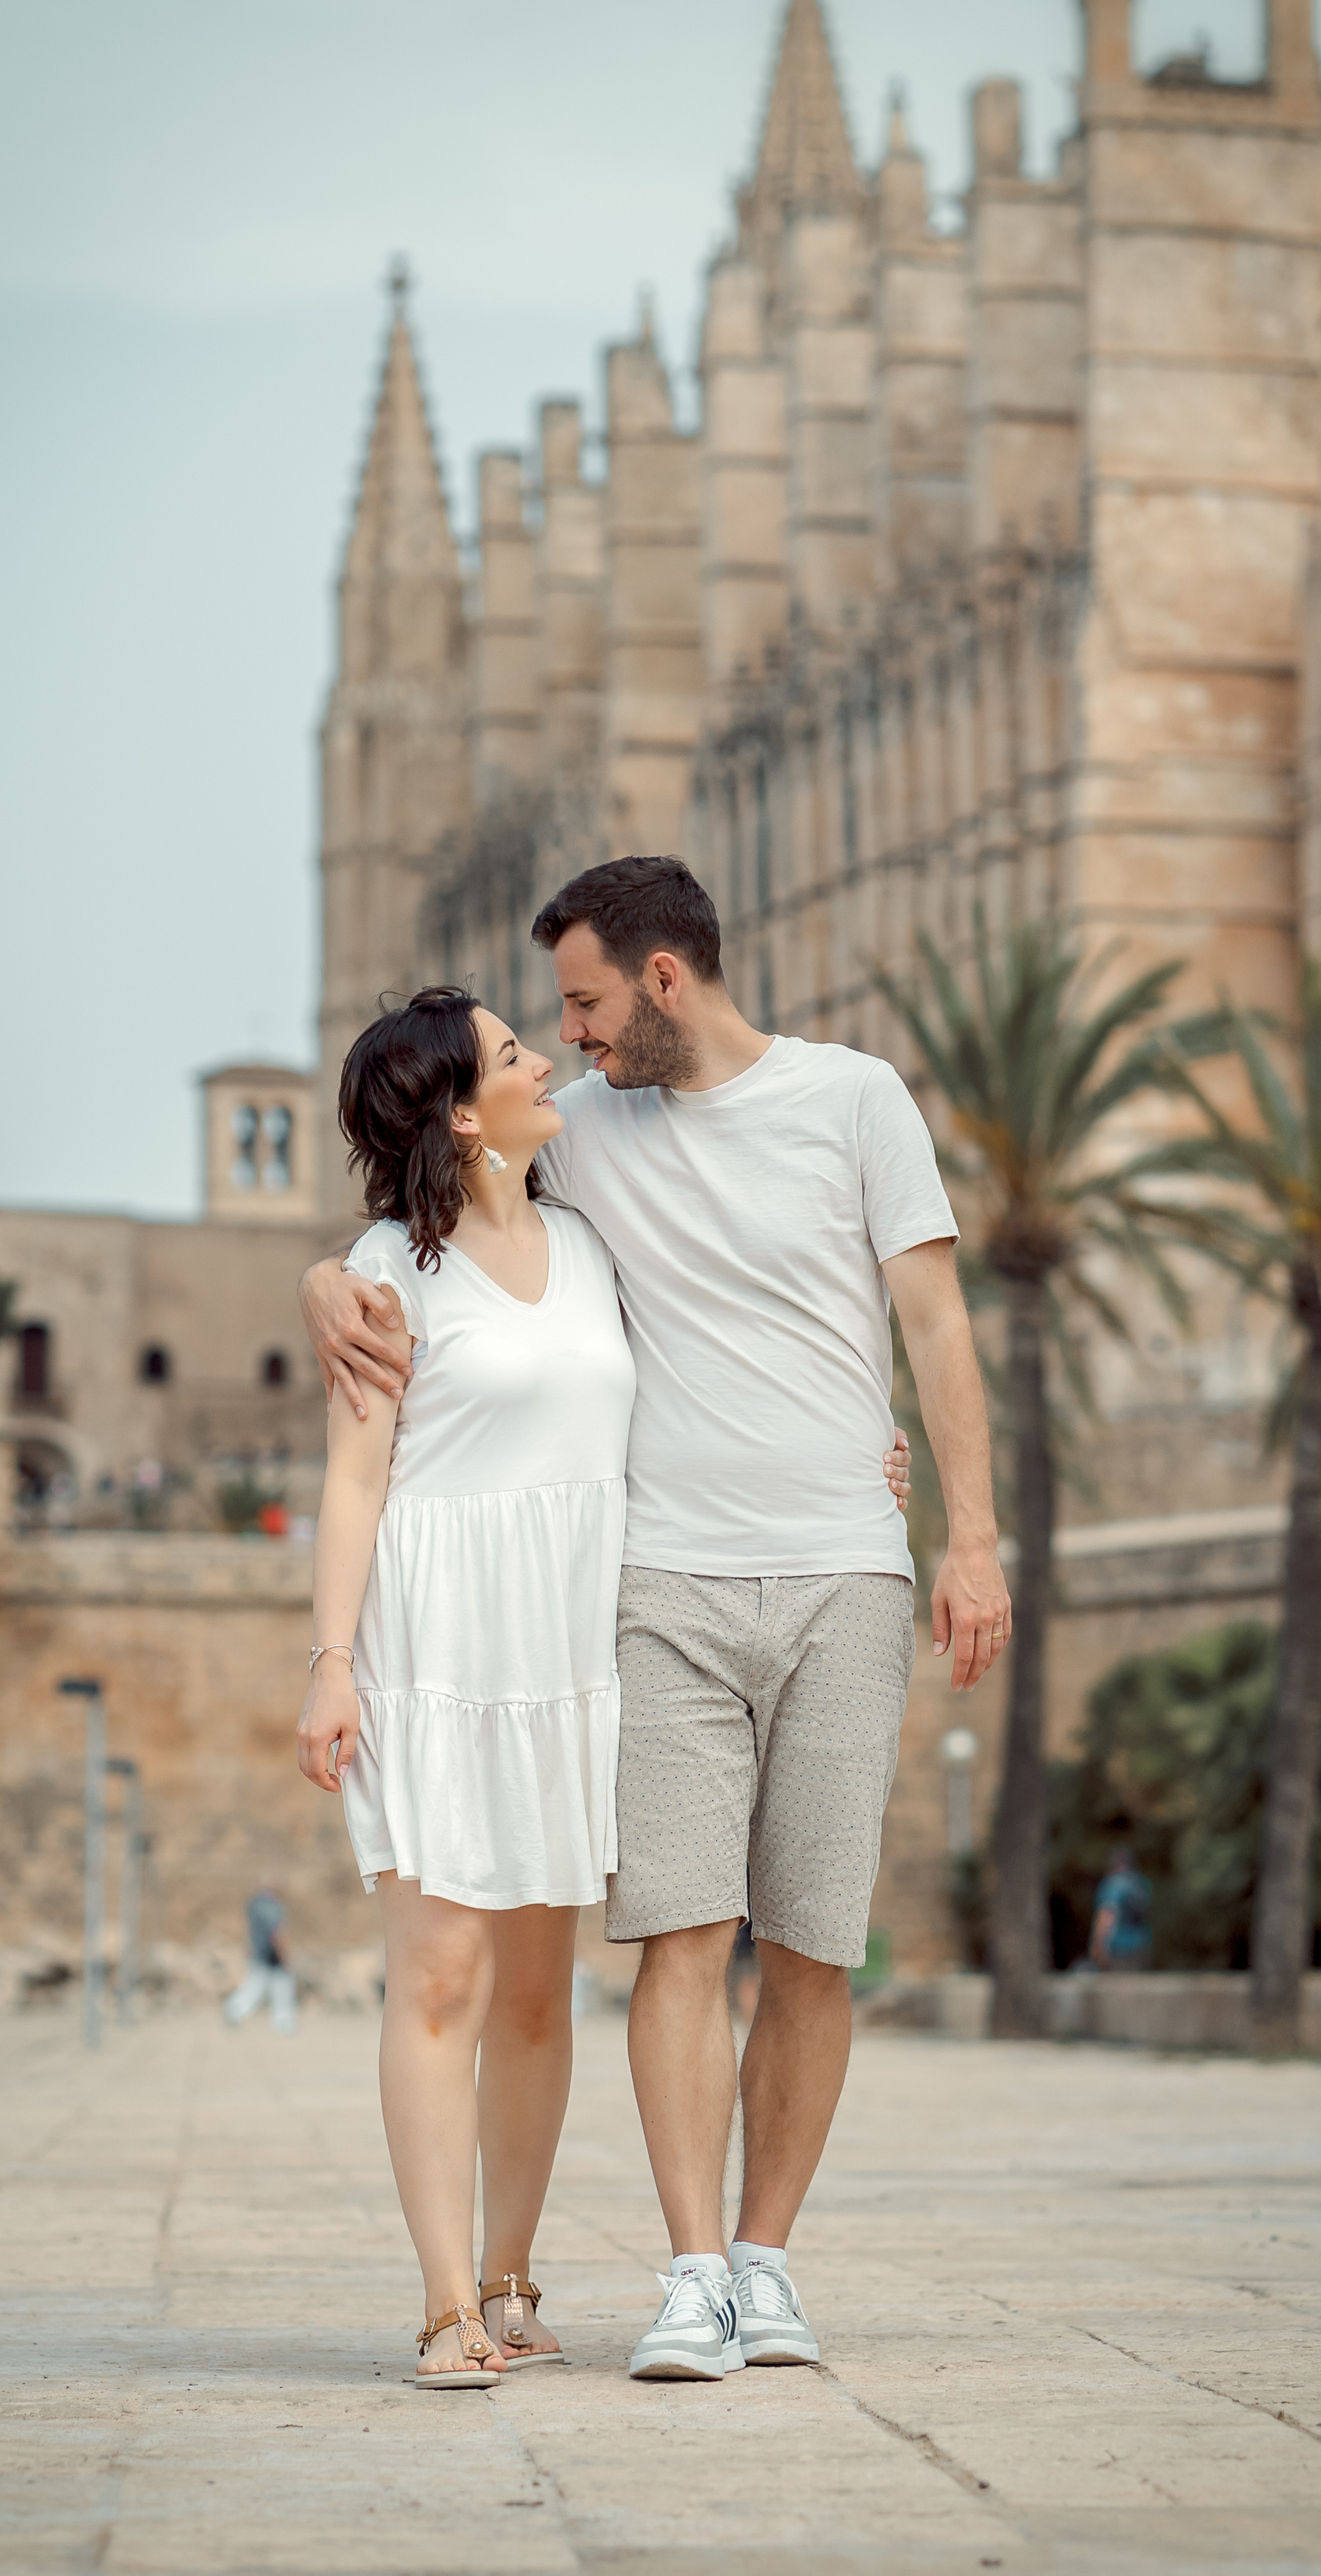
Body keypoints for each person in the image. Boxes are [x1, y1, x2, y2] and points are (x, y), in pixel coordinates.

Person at [301, 855, 1011, 2385]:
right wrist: (322, 1276)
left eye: (581, 1004)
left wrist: (968, 1534)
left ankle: (752, 2267)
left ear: (661, 981)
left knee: (808, 1944)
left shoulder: (845, 1106)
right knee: (670, 1940)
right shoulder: (590, 1140)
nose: (566, 1043)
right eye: (539, 1028)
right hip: (641, 1596)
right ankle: (676, 2278)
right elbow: (419, 1236)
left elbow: (929, 1318)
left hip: (810, 1583)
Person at [295, 987, 633, 2386]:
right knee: (442, 1977)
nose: (542, 1060)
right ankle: (441, 2307)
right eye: (510, 1055)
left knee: (543, 1997)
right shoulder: (385, 1269)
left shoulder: (594, 1243)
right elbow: (356, 1475)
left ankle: (509, 2276)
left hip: (566, 1651)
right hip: (433, 1648)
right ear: (451, 1108)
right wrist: (330, 1665)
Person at [223, 1883, 297, 2034]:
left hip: (259, 1954)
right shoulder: (272, 1907)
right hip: (271, 1957)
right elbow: (276, 1933)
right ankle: (284, 2022)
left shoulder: (254, 1905)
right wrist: (284, 1954)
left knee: (254, 1988)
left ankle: (234, 2010)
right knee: (281, 1989)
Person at [1089, 1847, 1152, 1973]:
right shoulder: (1140, 1884)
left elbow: (1106, 1916)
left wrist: (1098, 1945)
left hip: (1117, 1949)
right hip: (1141, 1946)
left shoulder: (1112, 1885)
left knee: (1118, 1989)